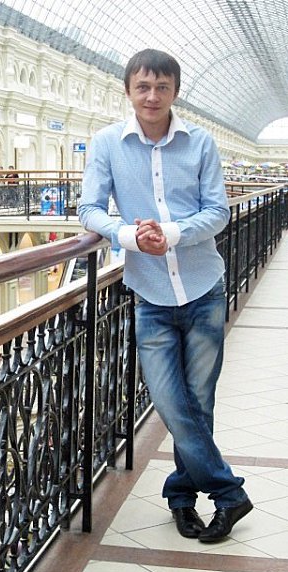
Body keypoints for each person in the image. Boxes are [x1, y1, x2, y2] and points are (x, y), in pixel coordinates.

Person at [78, 48, 252, 543]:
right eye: (143, 87)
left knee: (198, 402)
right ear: (128, 90)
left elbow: (217, 211)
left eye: (162, 87)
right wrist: (129, 237)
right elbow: (89, 208)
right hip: (150, 295)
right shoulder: (107, 143)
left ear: (175, 91)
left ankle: (181, 498)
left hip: (203, 289)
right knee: (170, 401)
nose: (152, 96)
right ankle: (229, 493)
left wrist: (171, 233)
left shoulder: (201, 144)